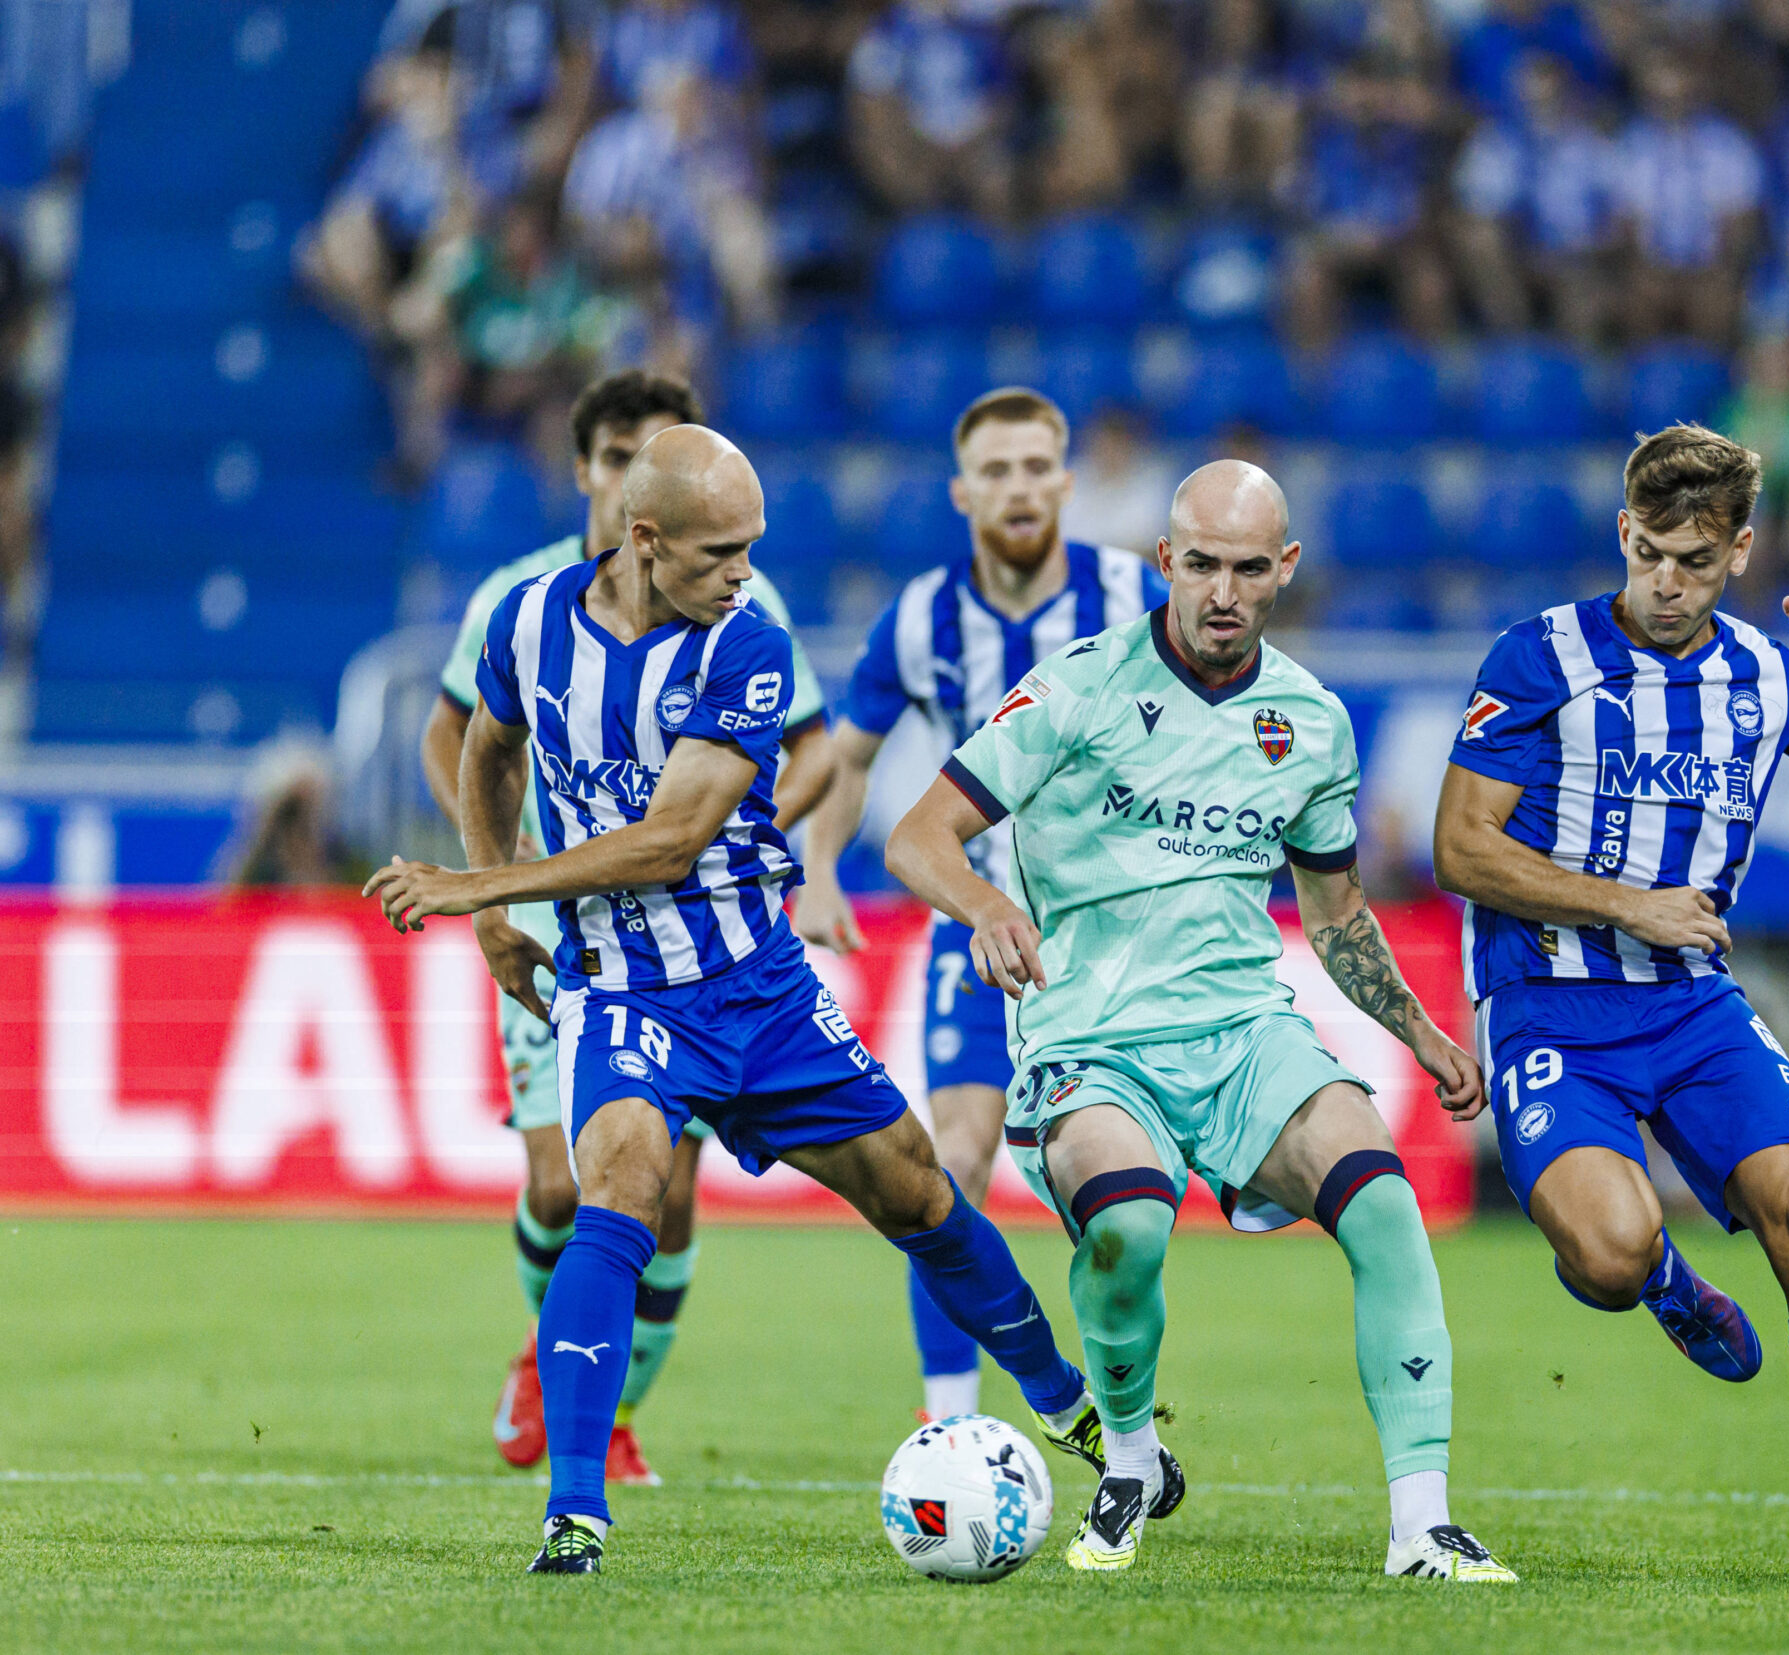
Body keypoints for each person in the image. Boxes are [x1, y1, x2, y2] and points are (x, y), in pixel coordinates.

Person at [369, 425, 1113, 1575]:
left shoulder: (747, 643)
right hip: (623, 990)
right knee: (615, 1191)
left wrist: (480, 885)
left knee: (918, 1190)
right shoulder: (525, 621)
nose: (743, 572)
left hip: (759, 989)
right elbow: (489, 745)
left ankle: (1068, 1402)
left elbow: (670, 840)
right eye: (720, 551)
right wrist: (492, 903)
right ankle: (575, 1511)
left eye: (751, 547)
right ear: (644, 538)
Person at [885, 460, 1515, 1582]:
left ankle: (1422, 1525)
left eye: (1249, 568)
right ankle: (1129, 1457)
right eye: (1203, 564)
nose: (1223, 592)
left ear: (1287, 568)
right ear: (1166, 560)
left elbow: (1336, 912)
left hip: (1242, 1033)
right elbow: (918, 834)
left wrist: (1422, 1033)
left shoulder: (1310, 722)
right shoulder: (1076, 687)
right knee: (1128, 1224)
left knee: (1384, 1202)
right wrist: (983, 904)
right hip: (1091, 1041)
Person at [1429, 425, 1789, 1589]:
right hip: (1550, 1004)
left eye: (1696, 562)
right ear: (1624, 532)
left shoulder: (1766, 677)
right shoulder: (1538, 657)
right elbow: (1460, 848)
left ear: (1740, 552)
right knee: (1609, 1254)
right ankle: (1665, 1280)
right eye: (1651, 554)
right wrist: (1633, 905)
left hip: (1689, 1006)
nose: (1667, 583)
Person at [415, 371, 833, 1489]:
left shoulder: (740, 605)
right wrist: (491, 879)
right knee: (563, 1188)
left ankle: (615, 1412)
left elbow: (816, 746)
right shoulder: (517, 598)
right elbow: (458, 736)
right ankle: (546, 1349)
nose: (623, 477)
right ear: (589, 471)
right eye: (612, 456)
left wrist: (743, 833)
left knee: (668, 1197)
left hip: (696, 943)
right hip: (562, 925)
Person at [794, 386, 1163, 1426]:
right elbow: (848, 759)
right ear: (962, 492)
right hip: (979, 924)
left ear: (1066, 481)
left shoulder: (1133, 596)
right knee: (948, 1163)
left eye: (1036, 466)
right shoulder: (921, 617)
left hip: (1115, 934)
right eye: (996, 471)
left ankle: (1126, 1412)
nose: (1018, 488)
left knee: (1120, 1199)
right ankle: (950, 1425)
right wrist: (819, 867)